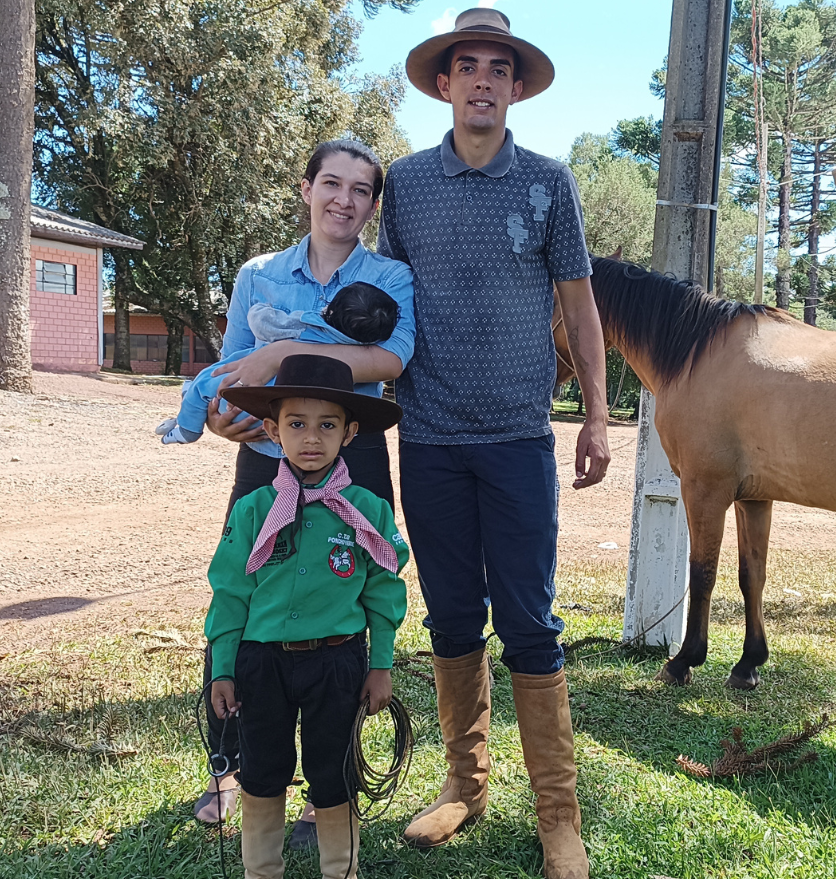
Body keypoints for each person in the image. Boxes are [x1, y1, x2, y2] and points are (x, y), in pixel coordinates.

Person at [375, 9, 611, 879]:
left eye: (497, 68)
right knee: (450, 615)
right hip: (429, 438)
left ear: (516, 87)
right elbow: (382, 298)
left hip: (517, 439)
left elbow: (580, 306)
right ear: (444, 84)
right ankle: (465, 786)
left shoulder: (550, 183)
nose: (481, 79)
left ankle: (559, 816)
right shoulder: (404, 183)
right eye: (466, 65)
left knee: (531, 620)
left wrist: (594, 412)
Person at [192, 140, 415, 850]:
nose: (343, 200)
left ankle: (333, 771)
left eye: (360, 190)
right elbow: (234, 370)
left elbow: (390, 358)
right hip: (266, 455)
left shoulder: (390, 277)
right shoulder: (258, 275)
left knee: (348, 596)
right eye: (331, 183)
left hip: (356, 457)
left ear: (373, 205)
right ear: (306, 188)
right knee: (247, 585)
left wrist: (284, 358)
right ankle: (231, 767)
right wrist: (227, 417)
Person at [205, 353, 409, 879]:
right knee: (263, 769)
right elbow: (230, 594)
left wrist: (380, 663)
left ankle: (341, 870)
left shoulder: (369, 510)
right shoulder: (253, 510)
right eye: (296, 424)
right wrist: (223, 668)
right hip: (261, 664)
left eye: (327, 425)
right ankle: (261, 871)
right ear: (272, 430)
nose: (311, 438)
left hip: (337, 664)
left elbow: (383, 591)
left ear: (351, 432)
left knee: (334, 772)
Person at [157, 282, 399, 444]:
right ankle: (186, 411)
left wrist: (262, 308)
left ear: (331, 310)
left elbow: (262, 322)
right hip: (278, 422)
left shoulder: (308, 323)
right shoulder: (358, 349)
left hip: (244, 402)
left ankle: (186, 430)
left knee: (207, 382)